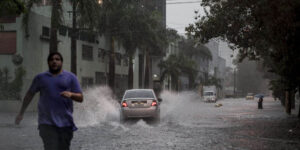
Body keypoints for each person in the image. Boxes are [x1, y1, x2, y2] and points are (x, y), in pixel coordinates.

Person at [15, 52, 83, 150]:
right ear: (48, 63)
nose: (54, 61)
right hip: (46, 123)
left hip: (65, 124)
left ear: (61, 62)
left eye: (57, 59)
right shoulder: (40, 78)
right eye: (51, 59)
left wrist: (71, 94)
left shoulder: (71, 77)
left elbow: (81, 98)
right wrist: (21, 113)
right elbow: (29, 95)